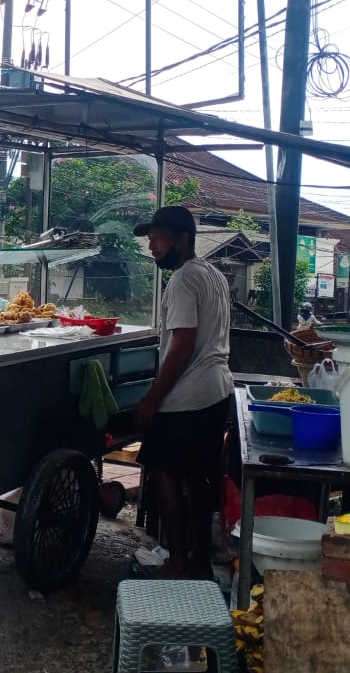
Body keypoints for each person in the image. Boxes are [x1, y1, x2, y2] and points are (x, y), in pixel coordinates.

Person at [132, 206, 234, 580]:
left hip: (187, 397)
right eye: (150, 240)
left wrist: (151, 400)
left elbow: (182, 345)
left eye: (157, 239)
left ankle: (177, 561)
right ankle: (200, 562)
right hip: (216, 391)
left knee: (163, 471)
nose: (152, 248)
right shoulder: (213, 275)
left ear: (181, 238)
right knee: (199, 479)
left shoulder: (182, 280)